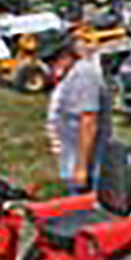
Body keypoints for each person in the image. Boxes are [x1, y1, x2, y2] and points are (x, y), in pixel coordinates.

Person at [46, 35, 105, 195]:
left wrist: (81, 167)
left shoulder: (84, 75)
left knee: (83, 204)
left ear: (66, 55)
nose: (51, 65)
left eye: (53, 60)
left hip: (85, 162)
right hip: (70, 154)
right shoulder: (70, 73)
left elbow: (88, 121)